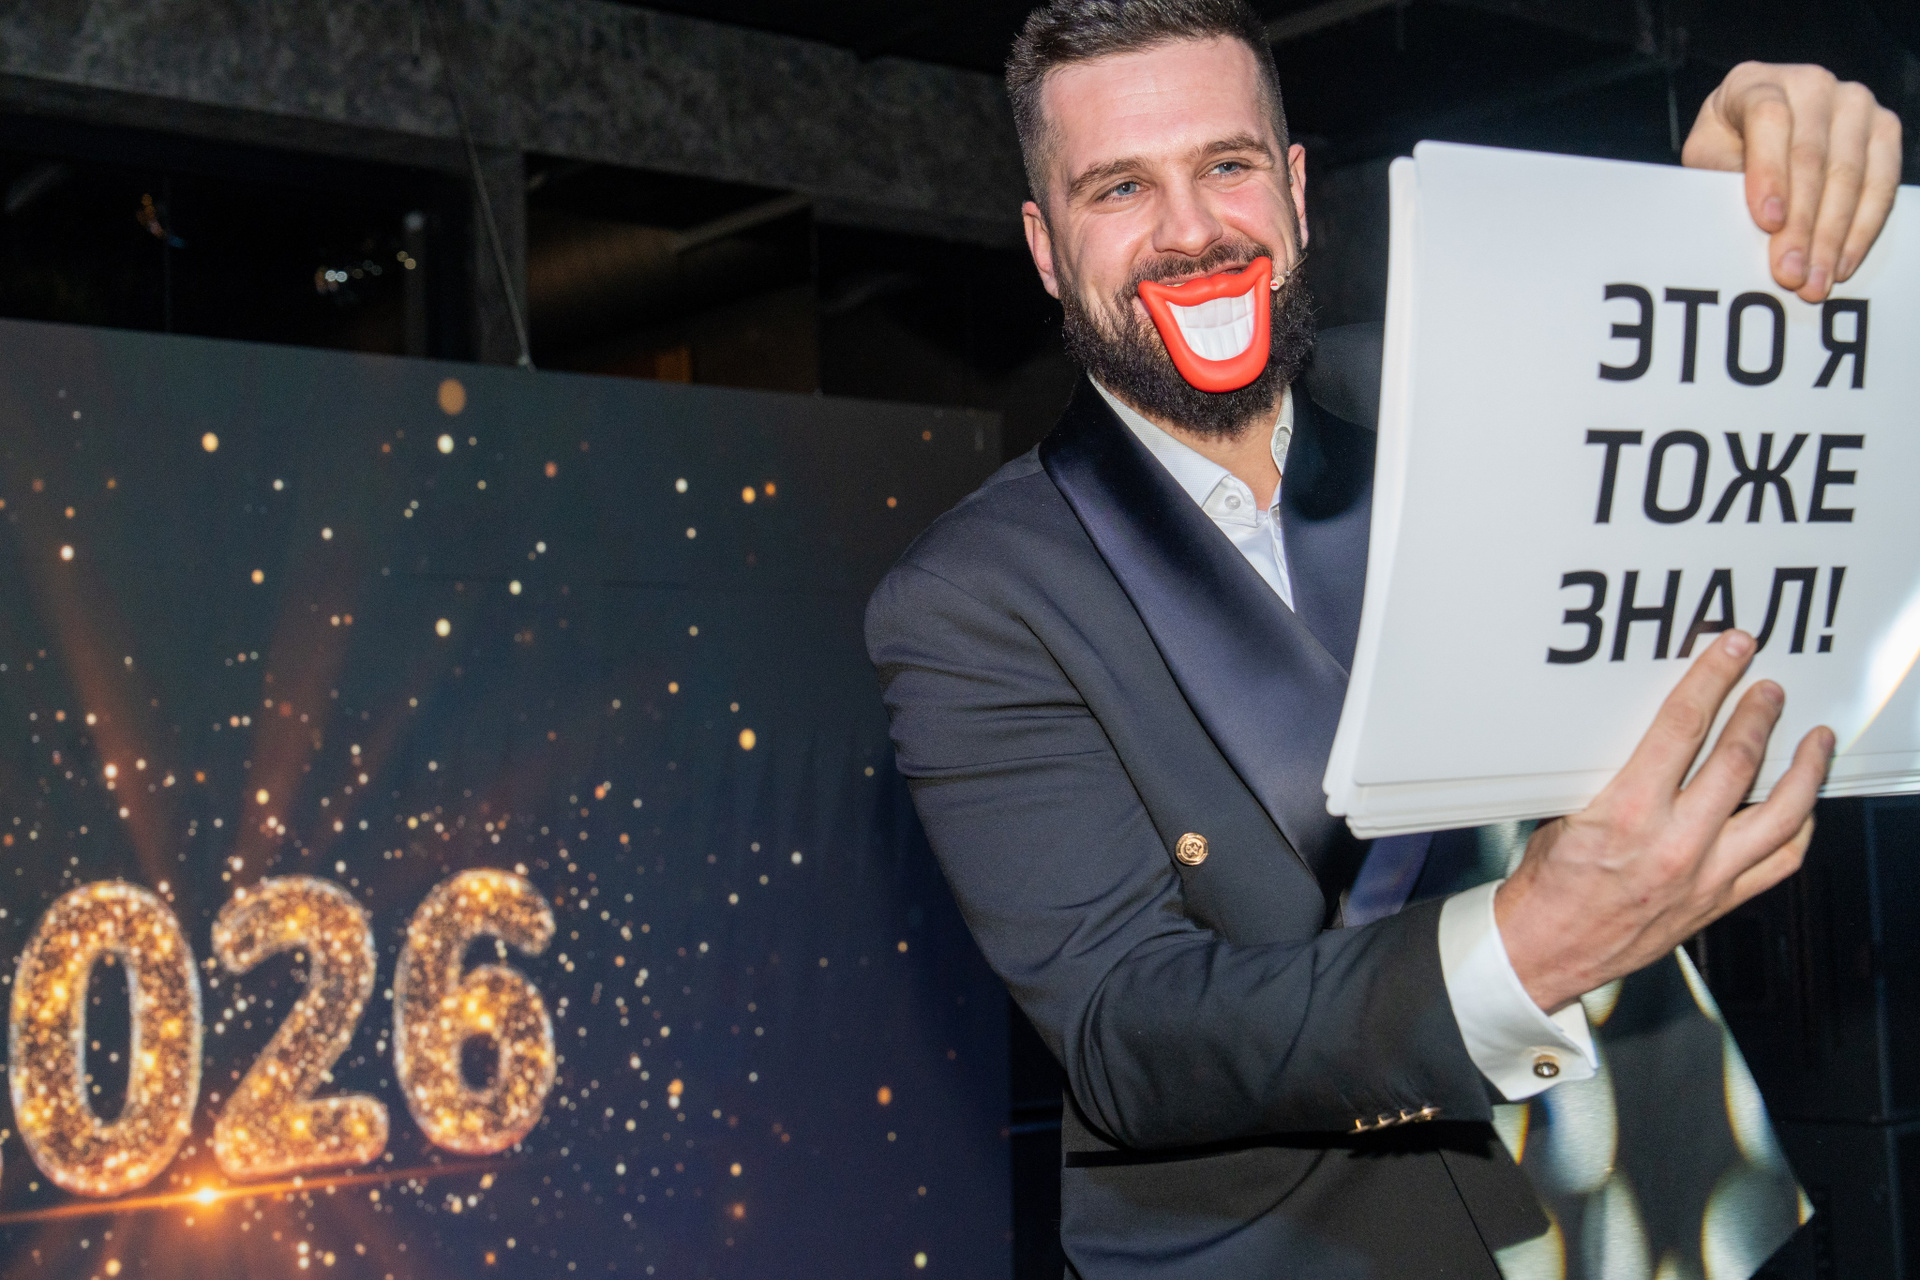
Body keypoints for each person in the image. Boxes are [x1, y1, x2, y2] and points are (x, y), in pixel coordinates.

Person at [865, 2, 1905, 1276]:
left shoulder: (1455, 384)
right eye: (1120, 187)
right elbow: (1128, 1027)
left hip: (1672, 1200)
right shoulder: (971, 596)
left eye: (1228, 164)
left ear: (1297, 191)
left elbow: (1688, 400)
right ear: (1044, 244)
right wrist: (1521, 947)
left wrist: (1733, 210)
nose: (1191, 230)